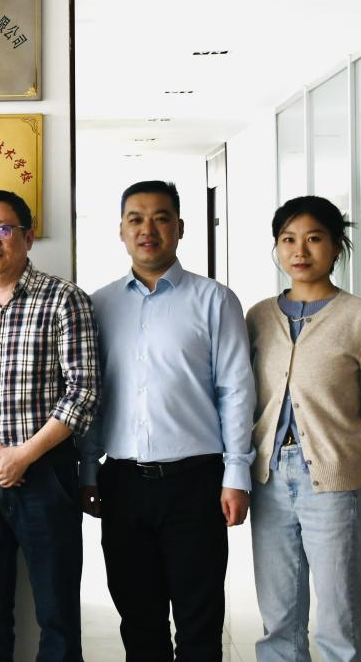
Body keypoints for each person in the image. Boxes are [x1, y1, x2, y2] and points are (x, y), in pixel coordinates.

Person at [80, 179, 255, 662]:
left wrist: (236, 474)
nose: (148, 229)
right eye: (135, 219)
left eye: (160, 218)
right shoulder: (98, 304)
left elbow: (236, 390)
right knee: (139, 622)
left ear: (180, 227)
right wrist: (88, 470)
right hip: (122, 485)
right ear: (120, 230)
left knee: (200, 624)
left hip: (195, 484)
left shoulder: (215, 300)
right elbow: (92, 395)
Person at [246, 195, 361, 662]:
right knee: (278, 620)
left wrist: (360, 482)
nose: (300, 250)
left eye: (314, 239)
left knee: (340, 622)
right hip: (268, 481)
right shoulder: (258, 317)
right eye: (288, 239)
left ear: (336, 247)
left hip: (337, 484)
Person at [0, 189, 101, 662]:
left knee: (57, 609)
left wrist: (24, 455)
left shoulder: (64, 299)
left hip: (46, 474)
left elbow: (84, 391)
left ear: (28, 236)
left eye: (3, 229)